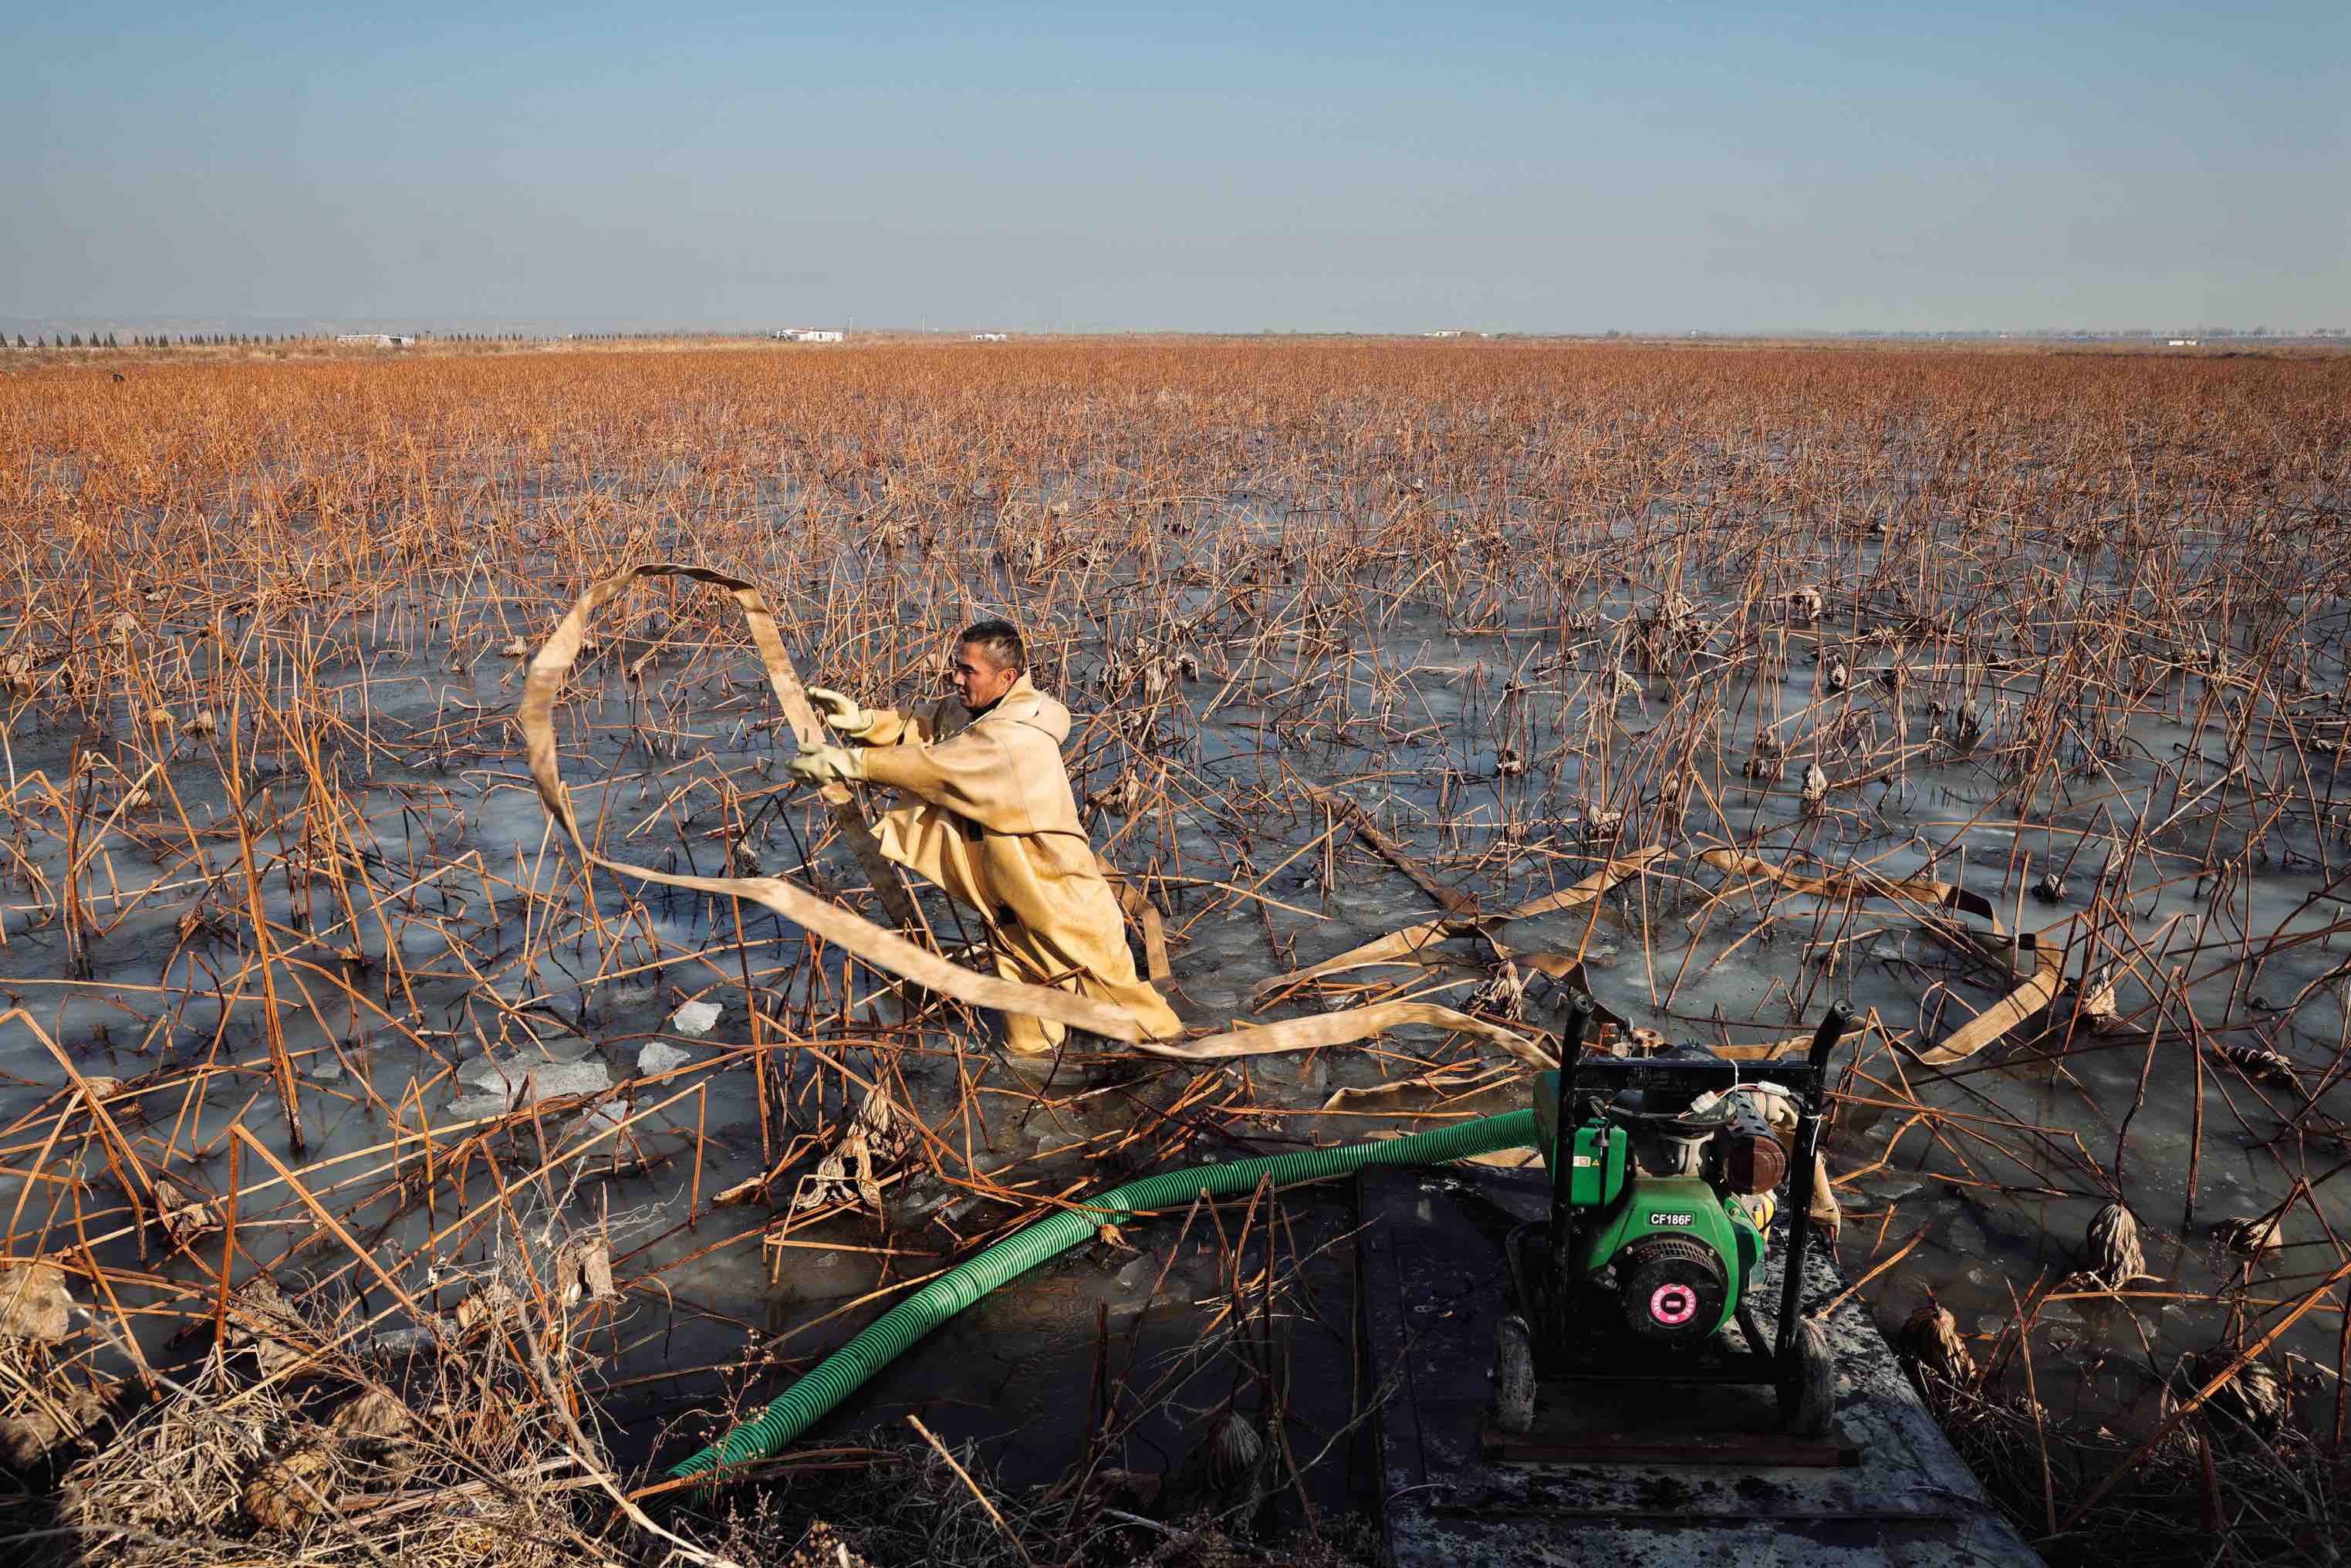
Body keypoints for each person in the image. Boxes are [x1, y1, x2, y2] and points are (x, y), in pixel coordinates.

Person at [785, 620, 1183, 1059]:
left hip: (1060, 903)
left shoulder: (1016, 739)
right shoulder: (976, 710)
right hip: (1006, 908)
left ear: (1006, 678)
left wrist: (854, 762)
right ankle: (1039, 1092)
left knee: (1136, 1017)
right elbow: (927, 726)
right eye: (956, 667)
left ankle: (1184, 1076)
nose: (955, 678)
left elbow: (939, 765)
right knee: (1028, 1038)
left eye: (967, 671)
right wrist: (862, 721)